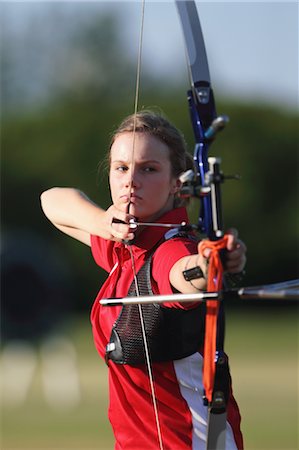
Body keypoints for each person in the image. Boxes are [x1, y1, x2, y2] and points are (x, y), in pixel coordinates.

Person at [41, 110, 246, 450]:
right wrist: (104, 223)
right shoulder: (125, 247)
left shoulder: (171, 250)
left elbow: (184, 274)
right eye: (121, 167)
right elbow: (51, 200)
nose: (130, 181)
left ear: (177, 184)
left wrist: (209, 264)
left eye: (148, 169)